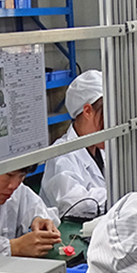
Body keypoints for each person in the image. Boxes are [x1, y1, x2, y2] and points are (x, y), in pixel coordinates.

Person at [40, 70, 107, 220]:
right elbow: (75, 203)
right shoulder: (61, 155)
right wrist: (120, 192)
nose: (111, 123)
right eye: (106, 114)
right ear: (87, 111)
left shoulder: (101, 149)